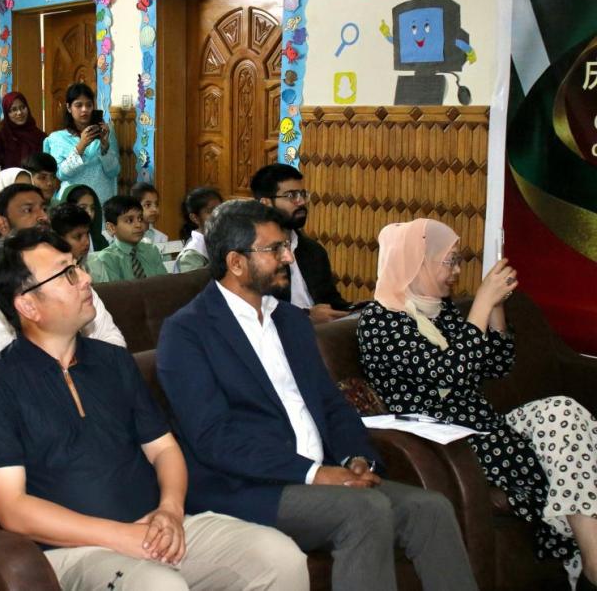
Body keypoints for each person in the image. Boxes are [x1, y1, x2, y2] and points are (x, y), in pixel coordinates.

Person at [156, 200, 477, 591]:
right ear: (236, 262)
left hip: (320, 473)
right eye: (274, 249)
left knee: (431, 508)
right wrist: (313, 473)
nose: (288, 257)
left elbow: (331, 404)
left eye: (286, 246)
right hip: (250, 487)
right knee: (365, 510)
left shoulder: (290, 320)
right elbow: (214, 437)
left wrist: (356, 458)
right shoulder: (187, 332)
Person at [0, 227, 309, 591]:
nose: (85, 278)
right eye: (67, 273)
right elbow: (14, 509)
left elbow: (163, 449)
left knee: (280, 557)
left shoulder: (113, 362)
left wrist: (170, 511)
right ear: (28, 305)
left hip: (156, 526)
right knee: (158, 586)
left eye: (78, 266)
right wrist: (120, 535)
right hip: (74, 552)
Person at [359, 219, 597, 589]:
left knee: (562, 412)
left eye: (458, 261)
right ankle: (590, 557)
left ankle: (588, 553)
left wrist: (496, 307)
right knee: (536, 450)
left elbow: (496, 364)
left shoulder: (442, 311)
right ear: (416, 263)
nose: (456, 271)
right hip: (445, 436)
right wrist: (481, 303)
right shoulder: (379, 322)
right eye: (449, 261)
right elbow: (448, 372)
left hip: (482, 422)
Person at [0, 183, 125, 375]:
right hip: (16, 389)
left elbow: (110, 337)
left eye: (43, 208)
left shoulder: (65, 267)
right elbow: (10, 359)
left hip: (84, 379)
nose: (43, 217)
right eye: (28, 210)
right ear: (3, 224)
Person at [251, 164, 352, 323]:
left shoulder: (313, 251)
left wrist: (355, 310)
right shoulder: (254, 253)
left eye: (303, 194)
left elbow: (330, 300)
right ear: (265, 203)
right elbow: (256, 311)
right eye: (291, 196)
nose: (301, 202)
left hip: (324, 330)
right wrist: (307, 316)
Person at [44, 83, 120, 204]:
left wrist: (105, 147)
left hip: (101, 202)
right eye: (78, 105)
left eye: (89, 105)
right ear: (69, 107)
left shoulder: (105, 133)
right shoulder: (57, 138)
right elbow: (61, 174)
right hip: (72, 202)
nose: (84, 109)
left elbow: (114, 171)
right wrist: (81, 146)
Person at [90, 195, 167, 282]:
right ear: (111, 227)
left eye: (140, 219)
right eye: (130, 220)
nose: (138, 225)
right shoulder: (108, 258)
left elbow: (165, 283)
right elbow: (116, 289)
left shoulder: (151, 250)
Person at [49, 201, 109, 283]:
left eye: (87, 234)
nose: (87, 242)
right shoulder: (51, 274)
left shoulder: (95, 264)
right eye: (78, 237)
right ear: (58, 239)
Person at [0, 91, 46, 169]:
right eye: (14, 109)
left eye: (22, 107)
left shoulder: (40, 137)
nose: (19, 113)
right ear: (7, 114)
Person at [173, 187, 223, 273]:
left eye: (221, 209)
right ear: (195, 218)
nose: (219, 215)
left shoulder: (223, 240)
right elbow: (196, 281)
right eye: (210, 211)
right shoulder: (191, 256)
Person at [56, 183, 109, 253]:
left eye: (92, 208)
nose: (89, 213)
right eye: (83, 208)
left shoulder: (100, 241)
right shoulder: (55, 242)